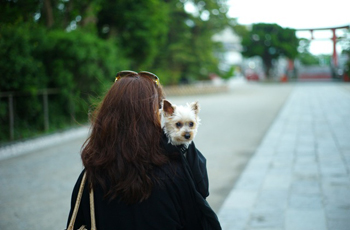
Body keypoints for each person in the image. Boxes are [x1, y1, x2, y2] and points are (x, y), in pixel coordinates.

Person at [66, 71, 221, 230]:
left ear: (106, 116)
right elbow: (199, 208)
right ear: (154, 116)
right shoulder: (175, 174)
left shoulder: (90, 177)